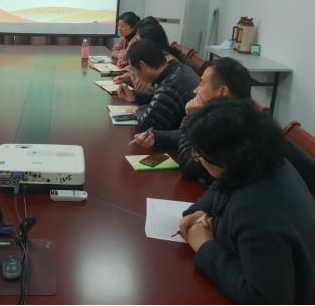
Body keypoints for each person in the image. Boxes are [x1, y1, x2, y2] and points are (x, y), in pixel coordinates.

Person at [179, 100, 315, 305]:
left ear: (223, 158)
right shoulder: (263, 161)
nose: (197, 159)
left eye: (198, 154)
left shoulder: (255, 211)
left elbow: (262, 297)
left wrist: (205, 246)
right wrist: (200, 210)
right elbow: (222, 183)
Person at [133, 57, 253, 186]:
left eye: (202, 83)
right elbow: (196, 138)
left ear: (222, 91)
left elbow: (189, 166)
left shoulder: (232, 125)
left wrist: (190, 117)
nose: (195, 90)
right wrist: (157, 137)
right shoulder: (236, 111)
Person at [123, 40, 199, 131]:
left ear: (142, 65)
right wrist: (135, 96)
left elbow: (148, 124)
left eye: (133, 69)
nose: (134, 73)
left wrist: (137, 111)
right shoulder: (177, 68)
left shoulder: (171, 84)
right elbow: (160, 100)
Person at [114, 16, 185, 94]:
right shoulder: (159, 55)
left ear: (150, 43)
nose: (136, 43)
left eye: (138, 40)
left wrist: (132, 69)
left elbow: (142, 89)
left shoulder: (164, 62)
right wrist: (127, 77)